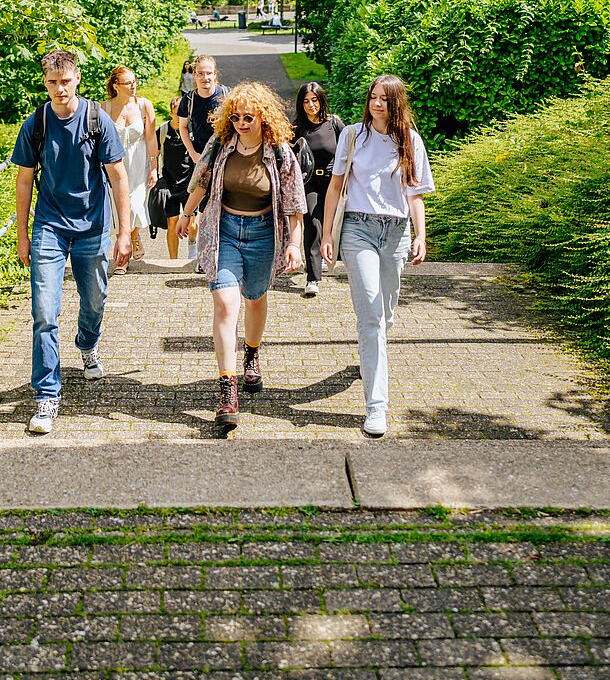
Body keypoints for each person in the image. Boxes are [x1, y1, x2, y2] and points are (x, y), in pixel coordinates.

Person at [13, 50, 132, 436]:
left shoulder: (98, 121)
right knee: (45, 314)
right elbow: (25, 181)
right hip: (49, 225)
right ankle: (47, 396)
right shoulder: (36, 124)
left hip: (92, 226)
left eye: (65, 81)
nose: (59, 89)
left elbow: (118, 178)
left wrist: (124, 231)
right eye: (52, 83)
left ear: (77, 79)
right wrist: (23, 236)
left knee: (94, 298)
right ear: (45, 83)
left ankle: (87, 342)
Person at [177, 82, 306, 431]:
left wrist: (294, 244)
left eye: (248, 117)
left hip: (264, 233)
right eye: (235, 117)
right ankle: (227, 391)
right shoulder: (220, 146)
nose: (241, 123)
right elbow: (200, 182)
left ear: (264, 118)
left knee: (256, 298)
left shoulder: (279, 152)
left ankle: (251, 352)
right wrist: (187, 215)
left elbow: (295, 206)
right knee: (225, 304)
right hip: (225, 231)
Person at [320, 74, 435, 439]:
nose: (377, 104)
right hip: (358, 230)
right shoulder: (353, 135)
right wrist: (326, 235)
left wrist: (421, 236)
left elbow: (415, 194)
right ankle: (376, 406)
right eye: (373, 97)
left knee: (385, 315)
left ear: (397, 103)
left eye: (385, 99)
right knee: (370, 315)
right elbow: (336, 186)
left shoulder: (410, 141)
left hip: (397, 233)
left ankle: (373, 355)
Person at [293, 81, 345, 298]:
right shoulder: (297, 128)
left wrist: (339, 165)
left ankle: (329, 258)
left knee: (333, 223)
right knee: (313, 224)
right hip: (310, 183)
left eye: (314, 100)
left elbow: (349, 149)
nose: (310, 105)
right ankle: (313, 278)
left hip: (334, 182)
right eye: (306, 101)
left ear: (321, 100)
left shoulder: (334, 123)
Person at [102, 65, 158, 260]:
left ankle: (133, 236)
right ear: (116, 86)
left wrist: (154, 167)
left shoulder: (144, 105)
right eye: (128, 83)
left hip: (139, 164)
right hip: (116, 165)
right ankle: (123, 256)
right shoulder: (105, 108)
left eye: (134, 82)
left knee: (135, 206)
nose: (133, 86)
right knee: (119, 209)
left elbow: (151, 138)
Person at [148, 96, 195, 259]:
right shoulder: (162, 131)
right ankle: (173, 261)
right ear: (171, 113)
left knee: (192, 224)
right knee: (172, 222)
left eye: (185, 113)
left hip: (190, 183)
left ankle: (192, 246)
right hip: (170, 183)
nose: (182, 116)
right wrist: (153, 172)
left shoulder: (192, 131)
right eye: (178, 112)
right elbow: (154, 154)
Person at [177, 55, 227, 161]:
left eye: (209, 73)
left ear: (215, 74)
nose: (205, 78)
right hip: (200, 156)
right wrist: (193, 153)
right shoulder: (188, 100)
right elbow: (183, 127)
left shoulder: (228, 97)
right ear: (194, 75)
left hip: (226, 155)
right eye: (200, 73)